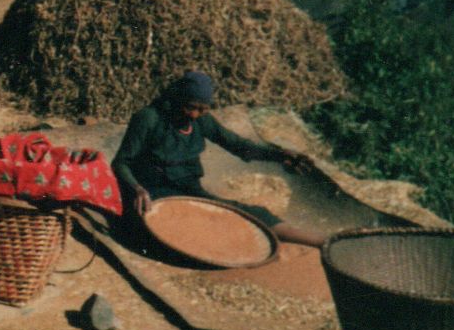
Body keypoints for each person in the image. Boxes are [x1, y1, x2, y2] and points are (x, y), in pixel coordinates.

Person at [111, 70, 327, 247]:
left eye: (202, 109)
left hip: (190, 191)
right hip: (153, 192)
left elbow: (239, 147)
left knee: (244, 214)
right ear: (178, 98)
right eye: (190, 107)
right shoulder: (149, 119)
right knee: (179, 228)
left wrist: (278, 155)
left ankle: (320, 241)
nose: (194, 114)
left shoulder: (202, 121)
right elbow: (121, 163)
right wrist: (137, 188)